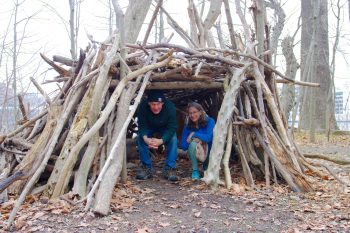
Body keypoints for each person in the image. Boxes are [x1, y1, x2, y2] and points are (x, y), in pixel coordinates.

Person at [136, 90, 179, 181]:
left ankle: (169, 168)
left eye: (158, 104)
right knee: (140, 138)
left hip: (165, 127)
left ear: (162, 103)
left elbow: (172, 127)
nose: (156, 107)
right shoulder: (142, 107)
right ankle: (147, 168)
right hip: (149, 126)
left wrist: (161, 140)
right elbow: (142, 125)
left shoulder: (170, 107)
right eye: (153, 104)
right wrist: (145, 138)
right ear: (148, 103)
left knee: (173, 139)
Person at [181, 102, 215, 180]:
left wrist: (194, 134)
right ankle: (195, 170)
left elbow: (209, 138)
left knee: (207, 143)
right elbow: (183, 146)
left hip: (209, 151)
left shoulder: (210, 121)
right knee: (193, 143)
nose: (192, 115)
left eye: (195, 112)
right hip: (195, 153)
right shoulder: (187, 126)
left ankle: (206, 166)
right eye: (190, 113)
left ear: (200, 112)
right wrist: (193, 141)